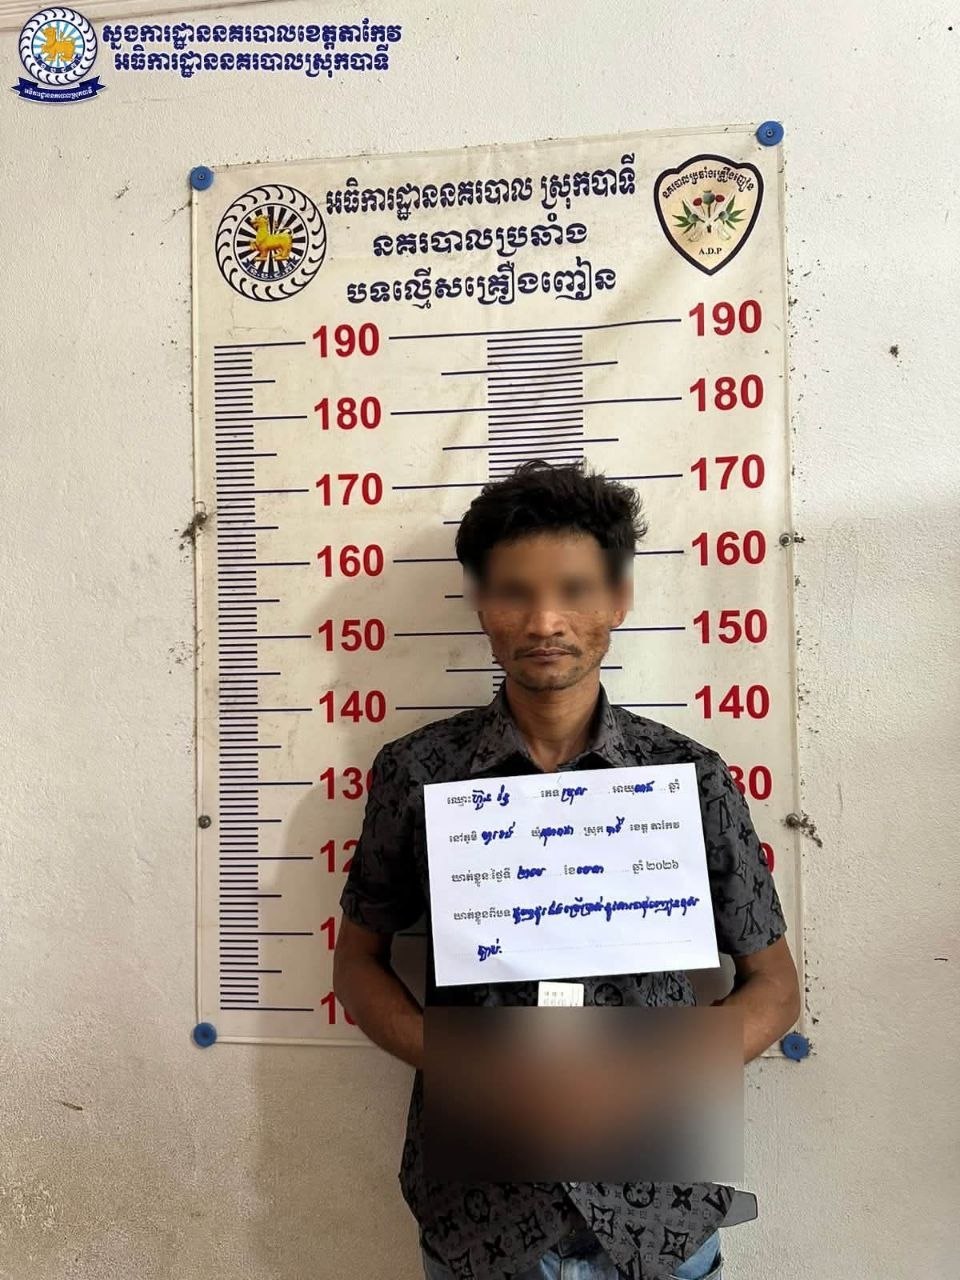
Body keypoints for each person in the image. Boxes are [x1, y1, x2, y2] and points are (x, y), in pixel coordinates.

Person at [334, 460, 801, 1280]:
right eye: (514, 592)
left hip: (661, 1210)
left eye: (576, 589)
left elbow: (776, 987)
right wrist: (470, 1067)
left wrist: (653, 1075)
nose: (544, 620)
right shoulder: (418, 773)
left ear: (619, 600)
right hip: (481, 1214)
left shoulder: (689, 776)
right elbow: (358, 964)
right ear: (481, 605)